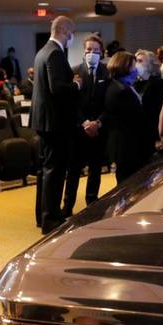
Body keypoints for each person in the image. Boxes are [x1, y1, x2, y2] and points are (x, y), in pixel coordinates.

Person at [30, 15, 82, 233]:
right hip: (55, 123)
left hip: (44, 121)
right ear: (64, 31)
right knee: (55, 171)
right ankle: (51, 219)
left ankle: (42, 215)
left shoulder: (42, 51)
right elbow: (57, 88)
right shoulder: (55, 53)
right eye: (72, 33)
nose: (72, 37)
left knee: (45, 170)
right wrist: (76, 85)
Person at [62, 35, 109, 218]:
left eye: (95, 50)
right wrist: (84, 123)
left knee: (95, 169)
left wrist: (98, 122)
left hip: (98, 129)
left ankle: (92, 204)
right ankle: (67, 206)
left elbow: (109, 102)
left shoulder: (107, 72)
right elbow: (71, 103)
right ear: (84, 51)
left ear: (101, 53)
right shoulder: (75, 71)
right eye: (89, 50)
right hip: (78, 129)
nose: (92, 53)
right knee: (73, 170)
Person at [104, 51, 155, 184]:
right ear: (125, 67)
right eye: (133, 65)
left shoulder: (119, 85)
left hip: (125, 146)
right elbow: (136, 119)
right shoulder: (122, 91)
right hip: (128, 147)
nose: (136, 68)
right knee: (129, 185)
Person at [134, 49, 163, 141]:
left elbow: (158, 111)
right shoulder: (135, 82)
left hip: (150, 131)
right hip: (137, 130)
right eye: (136, 61)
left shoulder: (158, 83)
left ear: (150, 65)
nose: (136, 64)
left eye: (140, 61)